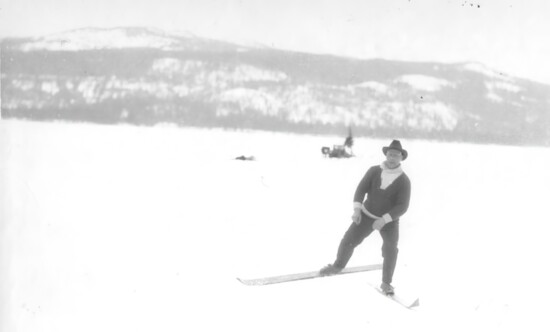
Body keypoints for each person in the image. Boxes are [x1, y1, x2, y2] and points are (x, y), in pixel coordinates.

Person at [319, 140, 411, 295]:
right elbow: (360, 190)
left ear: (401, 157)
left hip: (388, 222)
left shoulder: (404, 180)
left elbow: (402, 206)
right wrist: (357, 210)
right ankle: (337, 266)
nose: (392, 158)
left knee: (390, 250)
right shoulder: (374, 171)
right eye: (390, 154)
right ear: (386, 155)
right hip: (366, 215)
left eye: (396, 155)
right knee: (348, 240)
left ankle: (386, 283)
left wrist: (384, 220)